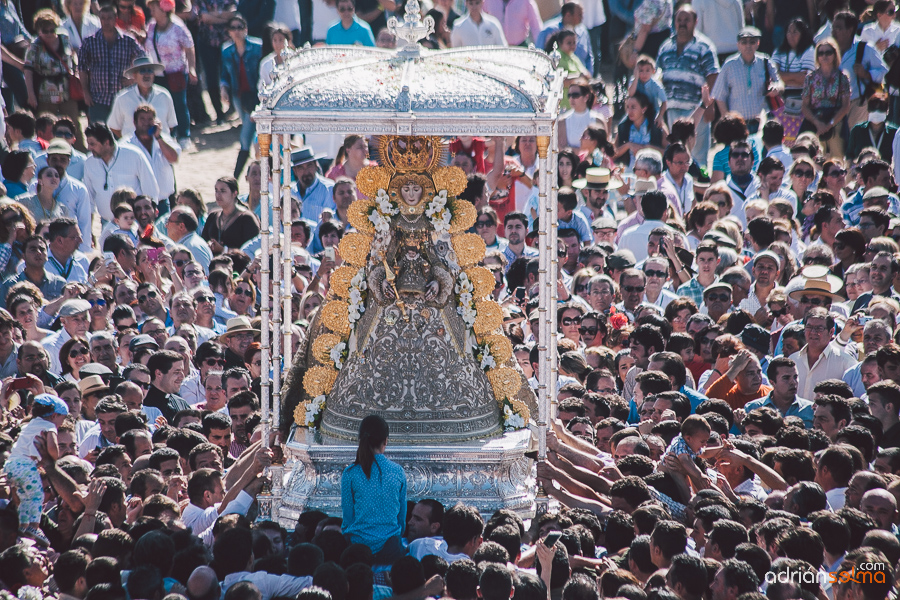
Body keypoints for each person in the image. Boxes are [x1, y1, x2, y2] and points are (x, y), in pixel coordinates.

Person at [341, 415, 407, 564]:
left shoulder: (351, 473)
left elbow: (348, 517)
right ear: (385, 440)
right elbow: (401, 517)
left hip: (358, 547)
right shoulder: (397, 471)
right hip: (391, 547)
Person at [3, 393, 67, 546]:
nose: (61, 424)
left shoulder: (30, 424)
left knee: (25, 498)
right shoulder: (49, 425)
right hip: (26, 467)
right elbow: (51, 446)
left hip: (11, 465)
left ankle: (23, 526)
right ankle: (34, 526)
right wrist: (54, 457)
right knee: (37, 495)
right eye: (62, 419)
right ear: (54, 415)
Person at [24, 10, 84, 152]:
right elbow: (28, 70)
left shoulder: (64, 39)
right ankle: (45, 151)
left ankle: (80, 151)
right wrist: (31, 94)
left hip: (66, 90)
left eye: (53, 29)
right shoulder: (35, 46)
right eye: (46, 30)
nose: (50, 34)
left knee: (74, 122)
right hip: (45, 92)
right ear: (39, 30)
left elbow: (72, 57)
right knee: (45, 125)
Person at [78, 4, 146, 123]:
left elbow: (144, 59)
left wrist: (134, 79)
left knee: (123, 135)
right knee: (98, 135)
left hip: (123, 97)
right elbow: (82, 68)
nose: (106, 21)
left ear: (115, 18)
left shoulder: (128, 40)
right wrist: (85, 92)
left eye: (109, 18)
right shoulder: (89, 42)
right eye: (103, 18)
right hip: (98, 99)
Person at [83, 122, 160, 223]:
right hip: (107, 223)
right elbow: (89, 198)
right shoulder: (89, 163)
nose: (89, 148)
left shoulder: (134, 155)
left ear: (106, 142)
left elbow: (151, 189)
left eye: (92, 144)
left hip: (135, 222)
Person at [712, 27, 784, 134]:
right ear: (738, 45)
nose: (748, 45)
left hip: (761, 123)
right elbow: (719, 96)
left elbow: (780, 84)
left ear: (758, 43)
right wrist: (727, 120)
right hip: (738, 125)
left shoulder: (765, 61)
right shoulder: (729, 65)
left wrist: (776, 88)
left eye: (752, 42)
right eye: (744, 42)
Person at [220, 14, 262, 177]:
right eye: (233, 28)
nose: (236, 31)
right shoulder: (226, 50)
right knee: (249, 130)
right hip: (239, 96)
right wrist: (223, 87)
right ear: (229, 31)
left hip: (256, 96)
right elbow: (224, 73)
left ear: (246, 29)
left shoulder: (258, 46)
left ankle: (235, 177)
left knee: (248, 134)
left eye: (240, 27)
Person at [801, 38, 852, 157]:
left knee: (837, 158)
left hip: (836, 122)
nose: (824, 56)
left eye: (828, 52)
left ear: (835, 55)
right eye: (821, 53)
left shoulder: (842, 77)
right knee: (816, 158)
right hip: (815, 122)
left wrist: (829, 125)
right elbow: (804, 106)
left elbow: (845, 106)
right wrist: (818, 123)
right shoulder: (810, 78)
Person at [201, 176, 260, 252]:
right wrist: (209, 245)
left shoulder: (247, 219)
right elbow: (203, 241)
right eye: (216, 190)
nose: (218, 195)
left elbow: (253, 250)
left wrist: (224, 250)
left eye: (223, 191)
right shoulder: (213, 216)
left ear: (234, 193)